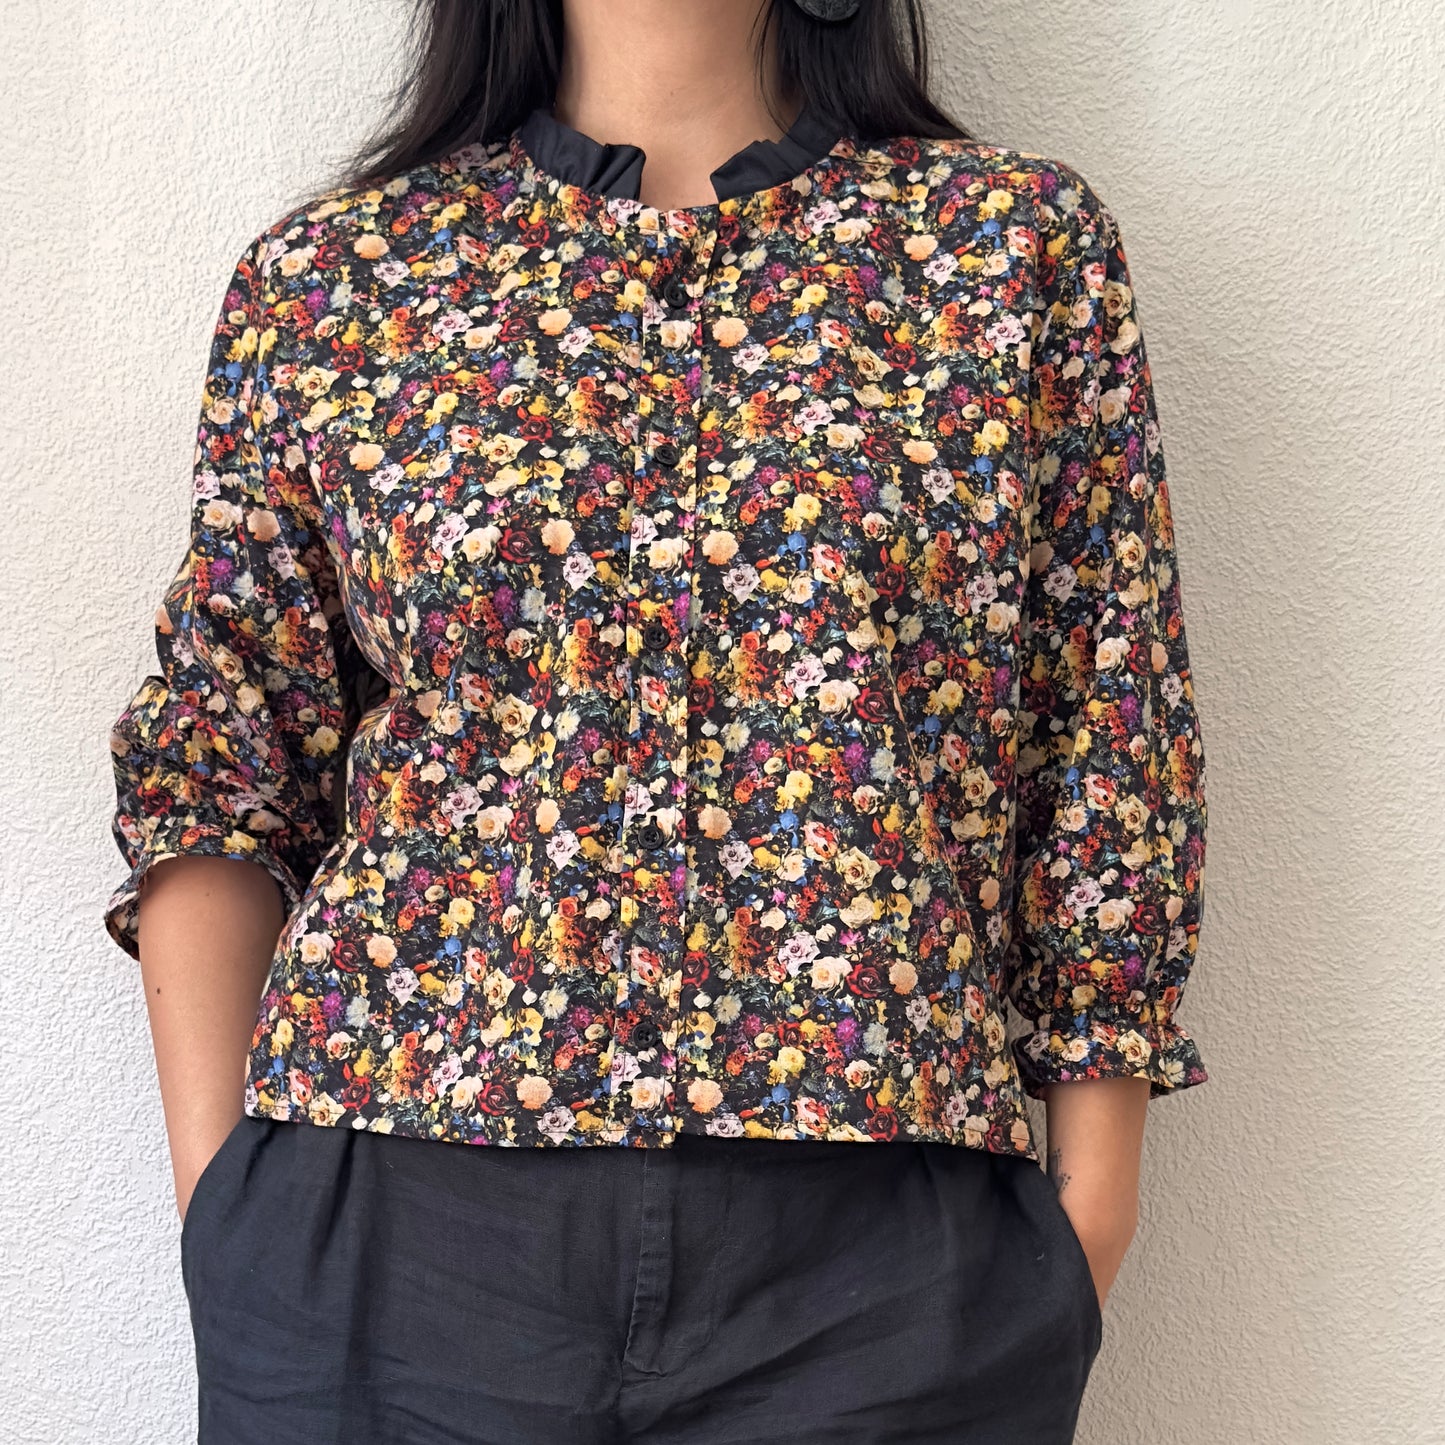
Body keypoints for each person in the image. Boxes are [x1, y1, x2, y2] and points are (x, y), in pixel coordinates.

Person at [104, 1, 1211, 1439]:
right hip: (391, 1235)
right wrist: (226, 1206)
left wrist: (1087, 1208)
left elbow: (1110, 728)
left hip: (885, 1268)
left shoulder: (1010, 254)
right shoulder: (337, 281)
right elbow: (220, 747)